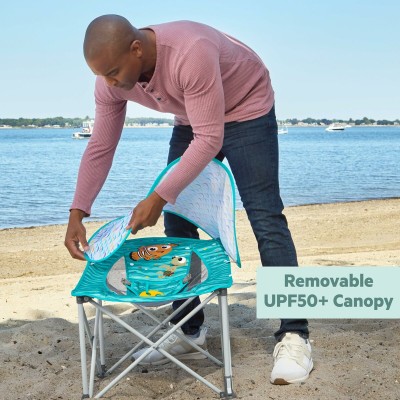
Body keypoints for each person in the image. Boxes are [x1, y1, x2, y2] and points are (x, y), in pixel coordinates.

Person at [64, 14, 313, 384]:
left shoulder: (190, 53)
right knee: (177, 219)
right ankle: (189, 329)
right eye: (101, 75)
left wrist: (158, 197)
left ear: (136, 49)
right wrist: (77, 211)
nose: (109, 82)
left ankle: (295, 334)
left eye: (113, 72)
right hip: (195, 117)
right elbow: (101, 145)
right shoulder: (110, 81)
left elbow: (209, 140)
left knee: (265, 216)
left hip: (247, 107)